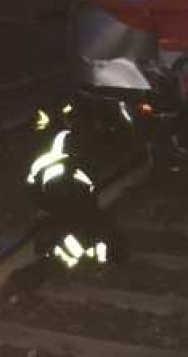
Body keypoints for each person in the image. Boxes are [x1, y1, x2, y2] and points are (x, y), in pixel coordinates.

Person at [25, 101, 128, 268]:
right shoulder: (70, 139)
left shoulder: (59, 139)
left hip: (59, 189)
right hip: (66, 188)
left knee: (79, 219)